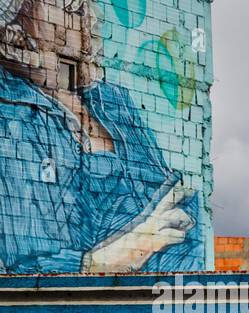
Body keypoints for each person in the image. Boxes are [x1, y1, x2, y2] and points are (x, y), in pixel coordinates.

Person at [0, 0, 202, 273]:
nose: (87, 19)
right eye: (65, 8)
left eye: (79, 7)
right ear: (15, 26)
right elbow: (24, 267)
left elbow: (177, 208)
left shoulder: (113, 102)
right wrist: (119, 254)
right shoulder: (11, 117)